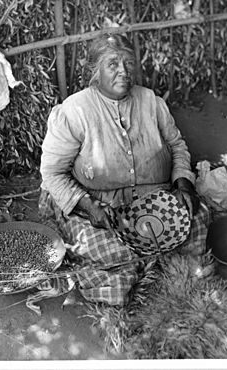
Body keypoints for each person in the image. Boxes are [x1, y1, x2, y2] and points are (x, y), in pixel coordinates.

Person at [39, 33, 211, 306]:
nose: (124, 71)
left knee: (198, 216)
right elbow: (52, 173)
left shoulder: (151, 102)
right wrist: (89, 206)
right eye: (113, 64)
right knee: (110, 250)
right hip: (101, 208)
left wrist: (182, 184)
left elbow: (177, 146)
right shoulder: (74, 112)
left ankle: (148, 265)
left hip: (155, 203)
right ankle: (140, 267)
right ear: (95, 73)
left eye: (129, 63)